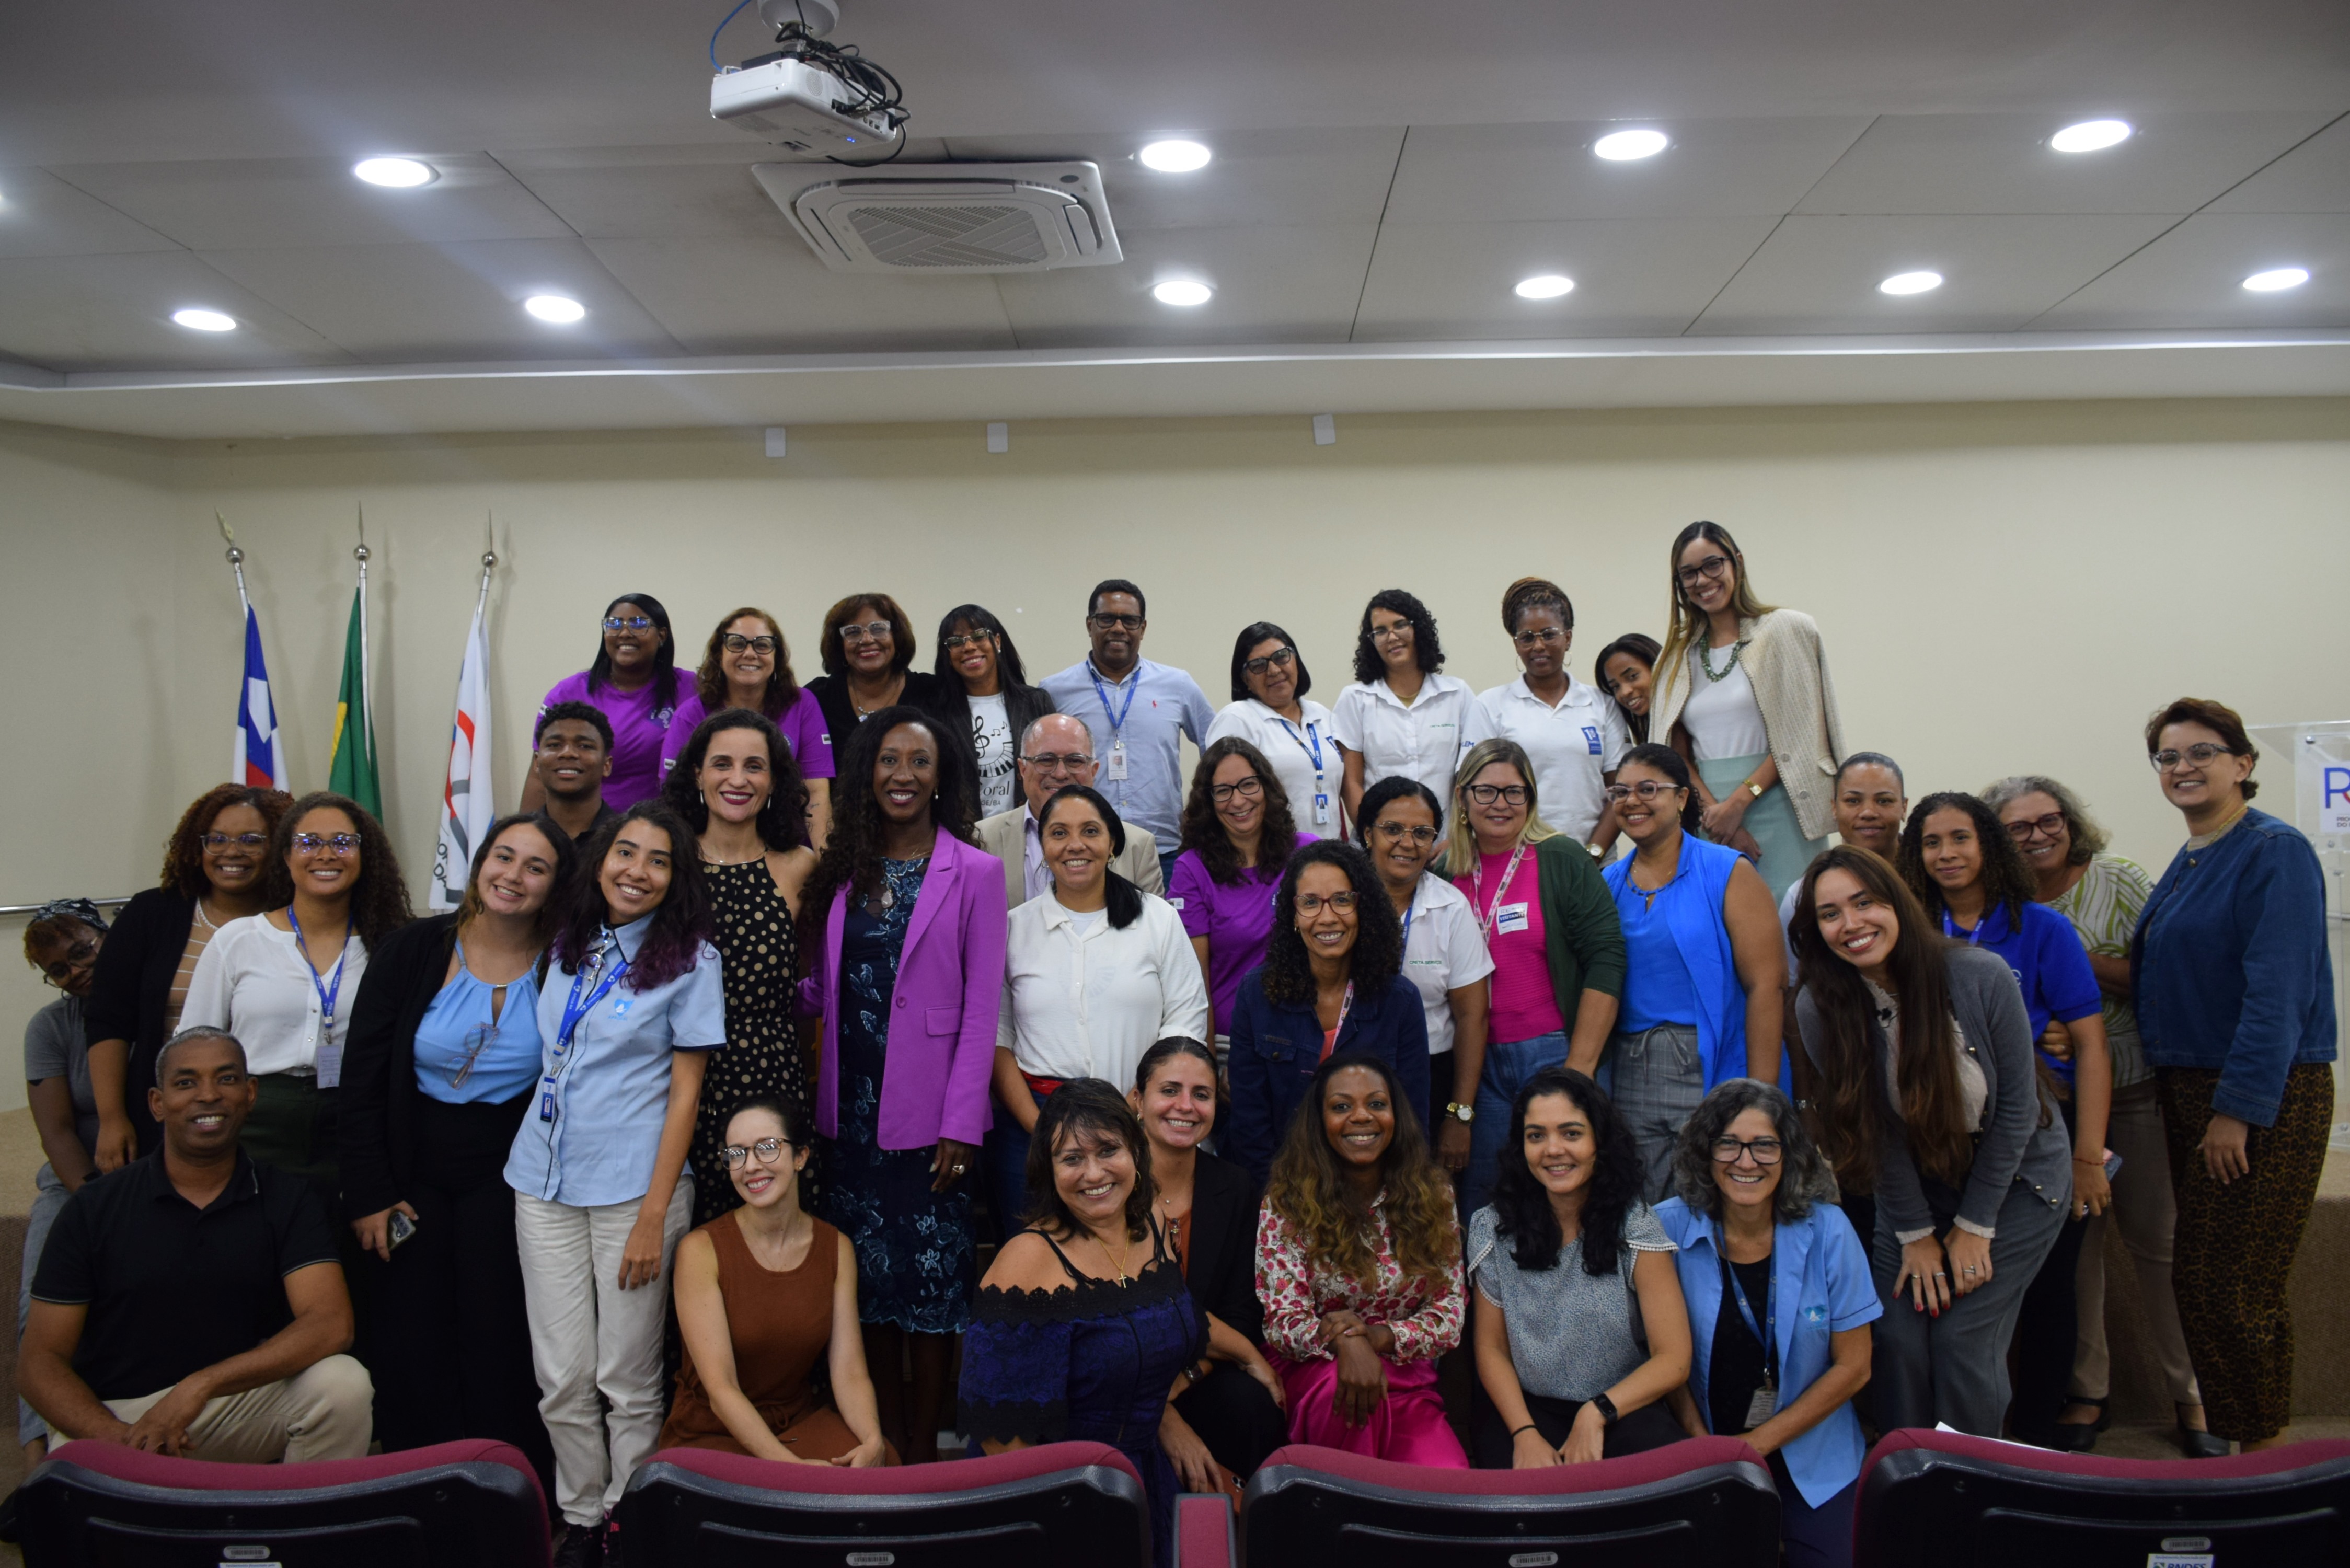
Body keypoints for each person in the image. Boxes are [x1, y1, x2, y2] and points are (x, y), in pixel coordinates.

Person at [504, 801, 724, 1561]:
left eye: (657, 860)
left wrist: (653, 1217)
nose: (636, 871)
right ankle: (582, 1518)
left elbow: (687, 1096)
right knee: (560, 1376)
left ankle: (627, 1524)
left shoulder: (691, 959)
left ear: (676, 878)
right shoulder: (569, 942)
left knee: (626, 1377)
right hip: (541, 1179)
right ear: (600, 861)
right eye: (625, 853)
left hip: (635, 1191)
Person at [1791, 847, 2069, 1437]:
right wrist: (1916, 1235)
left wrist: (1974, 1225)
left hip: (2017, 1177)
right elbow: (1872, 1132)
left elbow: (2018, 1111)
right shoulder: (1819, 1007)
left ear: (1897, 903)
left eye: (1864, 902)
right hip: (1914, 1185)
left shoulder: (1978, 975)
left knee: (1962, 1336)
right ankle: (1905, 1484)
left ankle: (1973, 1485)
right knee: (1897, 1332)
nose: (1851, 924)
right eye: (1830, 913)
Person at [1983, 773, 2220, 1458]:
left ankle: (2193, 1394)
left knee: (2159, 1244)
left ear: (2069, 819)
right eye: (2020, 827)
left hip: (2137, 1088)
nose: (2038, 835)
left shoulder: (2117, 880)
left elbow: (2164, 971)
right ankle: (2088, 1391)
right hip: (2054, 1106)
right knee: (2074, 1258)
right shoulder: (2001, 904)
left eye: (2049, 819)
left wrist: (2069, 971)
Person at [797, 707, 1005, 1465]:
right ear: (866, 773)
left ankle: (924, 1454)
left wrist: (962, 1123)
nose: (903, 776)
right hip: (847, 1116)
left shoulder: (975, 871)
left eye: (919, 762)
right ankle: (878, 1443)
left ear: (942, 775)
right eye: (888, 761)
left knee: (933, 1295)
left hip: (931, 1121)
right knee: (867, 1292)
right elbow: (819, 986)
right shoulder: (840, 868)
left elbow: (982, 1008)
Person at [339, 814, 570, 1491]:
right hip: (410, 1169)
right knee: (414, 1335)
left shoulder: (565, 960)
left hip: (511, 1173)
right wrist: (371, 1193)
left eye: (536, 867)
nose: (514, 876)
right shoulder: (413, 949)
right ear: (478, 866)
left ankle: (509, 1492)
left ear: (555, 887)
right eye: (504, 857)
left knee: (500, 1334)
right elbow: (361, 1079)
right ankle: (423, 1491)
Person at [2132, 697, 2336, 1453]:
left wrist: (2238, 1110)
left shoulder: (2272, 851)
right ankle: (2255, 1446)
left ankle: (2260, 1460)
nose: (2183, 767)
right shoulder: (2195, 857)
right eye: (2168, 757)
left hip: (2260, 1094)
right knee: (2233, 1286)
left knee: (2225, 1288)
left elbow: (2277, 994)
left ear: (2244, 766)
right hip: (2195, 1092)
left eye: (2202, 752)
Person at [23, 1027, 371, 1462]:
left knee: (343, 1384)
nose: (208, 1095)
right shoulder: (95, 1206)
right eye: (186, 1083)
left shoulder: (286, 1198)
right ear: (157, 1103)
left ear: (250, 1094)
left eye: (225, 1079)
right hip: (113, 1418)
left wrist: (199, 1386)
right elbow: (39, 1361)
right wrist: (122, 1441)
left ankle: (288, 1528)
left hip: (226, 1404)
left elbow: (331, 1323)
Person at [1899, 790, 2111, 1449]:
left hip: (2038, 1141)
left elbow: (2090, 1043)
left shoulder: (2040, 928)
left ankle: (2037, 1442)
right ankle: (1940, 1447)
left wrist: (2086, 1157)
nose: (1946, 854)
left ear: (1987, 844)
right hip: (1940, 1148)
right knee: (1949, 1317)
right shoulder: (1908, 929)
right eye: (1931, 843)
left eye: (1959, 838)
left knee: (2047, 1296)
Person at [962, 1081, 1204, 1563]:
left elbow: (1155, 1335)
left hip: (1145, 1474)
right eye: (1072, 1158)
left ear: (1136, 1151)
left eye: (1108, 1150)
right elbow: (999, 1437)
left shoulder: (1155, 1220)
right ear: (1048, 1171)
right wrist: (1064, 1526)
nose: (1093, 1173)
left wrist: (1165, 1419)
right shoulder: (1025, 1265)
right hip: (1055, 1494)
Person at [1657, 1082, 1876, 1567]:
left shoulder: (1831, 1230)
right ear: (1705, 1151)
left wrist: (1755, 1446)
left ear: (1789, 1154)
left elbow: (1856, 1367)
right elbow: (1659, 1354)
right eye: (1729, 1143)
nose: (1746, 1161)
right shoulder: (1665, 1229)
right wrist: (1703, 1444)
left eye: (1765, 1145)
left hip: (1813, 1451)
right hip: (1703, 1450)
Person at [180, 791, 412, 1206]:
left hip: (355, 1123)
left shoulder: (392, 947)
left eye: (342, 843)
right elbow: (194, 1048)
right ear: (286, 856)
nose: (326, 854)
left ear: (365, 856)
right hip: (253, 1120)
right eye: (308, 843)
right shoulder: (238, 941)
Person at [992, 788, 1209, 1225]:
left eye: (1090, 831)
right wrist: (1042, 1131)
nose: (1075, 845)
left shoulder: (1158, 920)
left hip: (1141, 1124)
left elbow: (1185, 1022)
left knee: (1137, 1257)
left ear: (1113, 843)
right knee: (1036, 1266)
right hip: (1034, 1127)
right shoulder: (1014, 928)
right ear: (1042, 846)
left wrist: (1140, 1114)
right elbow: (998, 1041)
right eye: (1059, 833)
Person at [1468, 1067, 1690, 1466]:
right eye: (1537, 1136)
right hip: (1528, 1412)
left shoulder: (1634, 1222)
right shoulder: (1492, 1227)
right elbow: (1491, 1348)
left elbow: (1673, 1356)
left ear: (1598, 1142)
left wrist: (1598, 1412)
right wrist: (1524, 1433)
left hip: (1623, 1409)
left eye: (1571, 1133)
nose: (1553, 1150)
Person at [1255, 1053, 1467, 1465]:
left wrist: (1375, 1339)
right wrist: (1345, 1343)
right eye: (1341, 1107)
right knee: (1345, 1403)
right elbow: (1284, 1321)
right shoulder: (1287, 1202)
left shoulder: (1434, 1195)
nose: (1361, 1117)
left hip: (1403, 1377)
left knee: (1448, 1484)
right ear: (1320, 1122)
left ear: (1395, 1115)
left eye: (1376, 1104)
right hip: (1316, 1373)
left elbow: (1450, 1312)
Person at [659, 1097, 892, 1465]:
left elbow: (848, 1371)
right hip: (712, 1432)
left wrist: (872, 1439)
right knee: (781, 1507)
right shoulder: (700, 1251)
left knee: (878, 1469)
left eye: (767, 1148)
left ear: (800, 1156)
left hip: (796, 1422)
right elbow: (721, 1390)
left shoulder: (836, 1248)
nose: (750, 1166)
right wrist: (792, 1471)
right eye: (736, 1154)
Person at [1446, 738, 1626, 1214]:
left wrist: (1581, 1069)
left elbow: (1606, 957)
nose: (1500, 804)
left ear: (1531, 799)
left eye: (1514, 792)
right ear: (1463, 797)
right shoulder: (1447, 872)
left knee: (1569, 1199)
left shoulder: (1560, 858)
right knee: (1486, 1201)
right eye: (1486, 791)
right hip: (1478, 1065)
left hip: (1556, 1051)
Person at [1600, 745, 1785, 1198]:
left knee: (1714, 1199)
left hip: (1708, 1064)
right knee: (1642, 1209)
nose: (1632, 801)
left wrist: (1760, 1097)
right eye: (1621, 792)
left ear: (1682, 798)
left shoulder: (1727, 871)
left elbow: (1767, 986)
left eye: (1649, 789)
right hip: (1629, 1069)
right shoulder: (1606, 884)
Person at [662, 709, 821, 1226]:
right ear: (696, 774)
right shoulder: (666, 862)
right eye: (721, 764)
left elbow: (818, 979)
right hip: (670, 1076)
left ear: (774, 781)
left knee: (771, 1226)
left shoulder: (798, 865)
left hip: (769, 1072)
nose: (737, 779)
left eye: (754, 766)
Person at [86, 784, 291, 1165]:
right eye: (217, 839)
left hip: (269, 1115)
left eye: (251, 840)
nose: (232, 852)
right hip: (166, 1111)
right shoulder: (151, 914)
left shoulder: (297, 920)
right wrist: (112, 1120)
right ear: (197, 847)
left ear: (279, 847)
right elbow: (108, 1022)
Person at [1649, 522, 1844, 900]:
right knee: (1727, 930)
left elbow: (1804, 735)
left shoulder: (1787, 630)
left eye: (1712, 565)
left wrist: (1740, 802)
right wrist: (1716, 816)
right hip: (1708, 814)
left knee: (1795, 923)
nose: (1703, 580)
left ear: (1736, 562)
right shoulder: (1674, 657)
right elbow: (1676, 755)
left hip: (1785, 803)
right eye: (1688, 573)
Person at [1128, 1038, 1289, 1493]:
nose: (1186, 1107)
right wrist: (1161, 1415)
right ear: (1137, 1100)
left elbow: (1242, 1311)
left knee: (1252, 1405)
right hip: (1116, 1370)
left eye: (1202, 1094)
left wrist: (1185, 1381)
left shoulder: (1235, 1187)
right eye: (1170, 1091)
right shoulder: (1108, 1183)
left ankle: (1244, 1531)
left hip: (1198, 1368)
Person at [1226, 843, 1430, 1188]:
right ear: (1292, 915)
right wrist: (1281, 1202)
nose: (1327, 917)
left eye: (1342, 900)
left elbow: (1411, 1124)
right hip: (1283, 1186)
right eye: (1309, 903)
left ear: (1362, 908)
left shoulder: (1401, 1001)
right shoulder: (1257, 994)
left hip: (1375, 1188)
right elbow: (1249, 1124)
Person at [1777, 752, 1908, 1253]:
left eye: (1884, 800)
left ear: (1904, 807)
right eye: (1854, 801)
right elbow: (1793, 999)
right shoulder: (1803, 894)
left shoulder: (1931, 879)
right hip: (1852, 1085)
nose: (1868, 812)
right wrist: (1808, 1101)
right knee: (1867, 1227)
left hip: (1931, 1080)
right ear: (1834, 810)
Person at [1356, 777, 1493, 1184]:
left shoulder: (1451, 908)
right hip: (1347, 1075)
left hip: (1429, 1079)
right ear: (1367, 833)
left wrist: (1460, 1115)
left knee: (1419, 1203)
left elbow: (1473, 1017)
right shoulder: (1341, 896)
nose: (1407, 843)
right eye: (1393, 830)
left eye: (1422, 833)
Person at [1040, 579, 1216, 887]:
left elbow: (1217, 752)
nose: (1118, 628)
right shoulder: (1055, 691)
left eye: (1129, 620)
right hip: (1086, 850)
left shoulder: (1178, 685)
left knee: (1165, 934)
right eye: (1107, 619)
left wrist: (1200, 812)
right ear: (1090, 624)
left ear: (1143, 628)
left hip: (1164, 848)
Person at [17, 899, 110, 1463]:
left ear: (106, 935)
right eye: (60, 969)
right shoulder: (50, 1027)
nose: (76, 971)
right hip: (76, 1183)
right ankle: (36, 1467)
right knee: (38, 1301)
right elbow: (56, 1132)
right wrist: (97, 1202)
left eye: (82, 951)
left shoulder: (161, 999)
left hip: (164, 1176)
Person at [1172, 737, 1317, 1045]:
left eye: (1248, 785)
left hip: (1308, 1033)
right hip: (1231, 1042)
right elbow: (1194, 981)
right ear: (1207, 802)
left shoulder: (1309, 853)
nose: (1238, 802)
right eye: (1223, 791)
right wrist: (1206, 1061)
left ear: (1267, 787)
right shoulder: (1191, 870)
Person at [1474, 577, 1628, 851]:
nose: (1538, 646)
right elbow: (1477, 792)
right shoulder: (1490, 705)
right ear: (1516, 644)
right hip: (1518, 860)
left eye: (1549, 634)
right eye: (1527, 638)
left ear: (1567, 638)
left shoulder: (1602, 705)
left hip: (1594, 861)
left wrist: (1591, 856)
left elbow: (1620, 791)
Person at [661, 608, 835, 846]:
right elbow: (675, 796)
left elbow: (815, 793)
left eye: (762, 645)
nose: (750, 653)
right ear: (718, 654)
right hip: (705, 844)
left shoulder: (802, 704)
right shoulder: (691, 714)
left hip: (787, 843)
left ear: (777, 655)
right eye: (737, 644)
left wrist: (825, 864)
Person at [1333, 589, 1493, 828]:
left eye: (1400, 625)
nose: (1392, 637)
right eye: (1381, 631)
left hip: (1446, 843)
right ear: (1372, 641)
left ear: (1419, 629)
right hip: (1381, 846)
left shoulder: (1457, 695)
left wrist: (1457, 838)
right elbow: (1351, 783)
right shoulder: (1355, 699)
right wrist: (1373, 838)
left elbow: (1474, 776)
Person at [972, 713, 1165, 908]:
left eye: (1075, 761)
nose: (1061, 773)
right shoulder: (982, 839)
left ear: (1094, 770)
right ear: (1022, 769)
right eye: (1046, 760)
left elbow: (1153, 930)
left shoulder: (1137, 846)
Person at [524, 594, 688, 814]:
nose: (624, 633)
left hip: (660, 831)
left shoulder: (689, 688)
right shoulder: (568, 693)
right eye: (614, 624)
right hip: (583, 831)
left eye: (639, 624)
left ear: (662, 636)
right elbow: (539, 776)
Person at [917, 603, 1057, 822]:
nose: (969, 647)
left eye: (979, 636)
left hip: (1027, 828)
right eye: (956, 641)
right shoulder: (936, 711)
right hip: (963, 832)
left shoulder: (1035, 702)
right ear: (948, 654)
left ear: (997, 642)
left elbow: (1053, 767)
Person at [1205, 621, 1340, 836]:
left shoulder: (1322, 715)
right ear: (1245, 679)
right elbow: (1226, 799)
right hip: (1273, 857)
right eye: (1259, 665)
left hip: (1328, 853)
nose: (1274, 670)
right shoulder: (1237, 719)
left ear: (1296, 661)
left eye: (1281, 657)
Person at [804, 592, 946, 754]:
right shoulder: (818, 697)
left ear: (897, 637)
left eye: (878, 629)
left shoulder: (933, 693)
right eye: (853, 632)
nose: (867, 640)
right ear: (840, 644)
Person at [533, 702, 619, 846]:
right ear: (537, 762)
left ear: (607, 765)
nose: (568, 753)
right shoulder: (516, 839)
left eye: (585, 746)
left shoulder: (626, 839)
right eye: (555, 745)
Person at [1594, 633, 1662, 746]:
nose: (1625, 692)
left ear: (1657, 667)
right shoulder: (1652, 732)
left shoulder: (1683, 721)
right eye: (1615, 687)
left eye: (1633, 676)